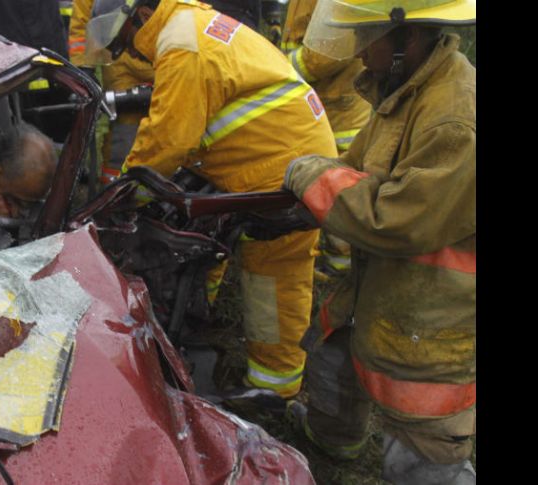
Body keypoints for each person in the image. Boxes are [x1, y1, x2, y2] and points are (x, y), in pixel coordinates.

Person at [85, 0, 338, 399]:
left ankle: (273, 389)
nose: (130, 53)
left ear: (140, 17)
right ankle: (202, 313)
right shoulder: (184, 27)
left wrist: (123, 196)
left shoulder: (182, 46)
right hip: (262, 156)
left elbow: (166, 143)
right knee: (209, 232)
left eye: (126, 42)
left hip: (283, 171)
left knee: (270, 278)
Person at [281, 1, 475, 483]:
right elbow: (356, 167)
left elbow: (395, 219)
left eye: (369, 39)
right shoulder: (408, 88)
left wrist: (310, 177)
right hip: (381, 284)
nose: (360, 55)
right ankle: (333, 441)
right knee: (336, 357)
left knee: (422, 435)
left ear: (407, 39)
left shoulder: (453, 120)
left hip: (433, 312)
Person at [281, 0, 373, 276]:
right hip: (316, 104)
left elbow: (325, 54)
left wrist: (277, 68)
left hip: (339, 113)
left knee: (340, 191)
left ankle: (343, 275)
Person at [69, 0, 156, 185]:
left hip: (163, 54)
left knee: (171, 124)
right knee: (123, 133)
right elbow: (83, 22)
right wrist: (84, 67)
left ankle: (163, 184)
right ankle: (113, 192)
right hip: (121, 60)